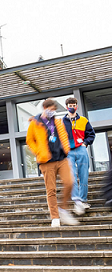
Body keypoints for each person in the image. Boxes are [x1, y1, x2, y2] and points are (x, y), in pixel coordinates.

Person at [26, 99, 77, 227]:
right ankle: (55, 217)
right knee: (51, 190)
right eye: (51, 109)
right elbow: (29, 141)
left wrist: (66, 148)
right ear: (45, 108)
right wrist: (38, 151)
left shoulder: (57, 121)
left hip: (61, 158)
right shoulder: (35, 123)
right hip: (46, 161)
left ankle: (63, 209)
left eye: (54, 110)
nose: (52, 112)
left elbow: (63, 135)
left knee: (70, 183)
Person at [62, 96, 95, 215]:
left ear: (77, 106)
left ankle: (83, 199)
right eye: (70, 106)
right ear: (66, 107)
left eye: (74, 105)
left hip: (81, 149)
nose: (72, 108)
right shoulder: (61, 122)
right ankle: (77, 200)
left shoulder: (84, 120)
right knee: (71, 177)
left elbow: (91, 134)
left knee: (84, 175)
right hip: (68, 151)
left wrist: (85, 143)